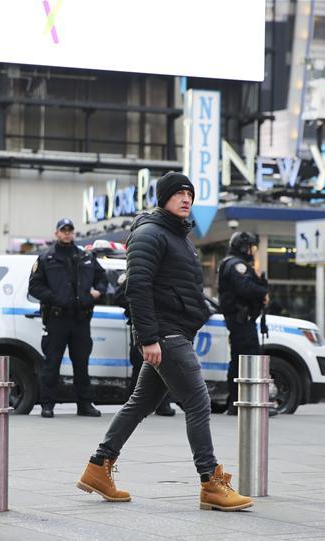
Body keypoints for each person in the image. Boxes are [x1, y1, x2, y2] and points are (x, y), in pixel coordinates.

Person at [77, 172, 253, 511]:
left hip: (176, 331)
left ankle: (98, 467)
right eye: (179, 194)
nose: (186, 198)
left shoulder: (179, 235)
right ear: (164, 198)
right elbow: (137, 288)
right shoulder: (150, 233)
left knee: (140, 404)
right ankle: (210, 483)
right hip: (167, 334)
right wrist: (148, 338)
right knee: (199, 403)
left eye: (190, 193)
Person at [28, 217, 107, 418]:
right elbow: (35, 287)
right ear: (56, 233)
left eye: (69, 230)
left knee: (82, 363)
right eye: (63, 230)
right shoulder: (46, 258)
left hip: (81, 319)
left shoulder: (85, 257)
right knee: (52, 363)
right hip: (56, 319)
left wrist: (96, 293)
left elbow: (102, 279)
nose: (66, 233)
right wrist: (55, 299)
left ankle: (84, 404)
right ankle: (47, 405)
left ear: (73, 233)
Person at [217, 231, 275, 416]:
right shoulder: (236, 265)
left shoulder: (234, 264)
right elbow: (244, 288)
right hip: (241, 320)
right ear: (243, 247)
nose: (253, 251)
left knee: (240, 361)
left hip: (242, 320)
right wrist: (261, 292)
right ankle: (245, 403)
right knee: (248, 361)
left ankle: (236, 403)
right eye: (251, 247)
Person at [113, 272, 176, 416]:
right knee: (140, 365)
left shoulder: (166, 274)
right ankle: (136, 404)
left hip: (163, 325)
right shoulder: (137, 273)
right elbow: (119, 297)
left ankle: (162, 404)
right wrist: (140, 306)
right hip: (141, 326)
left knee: (164, 365)